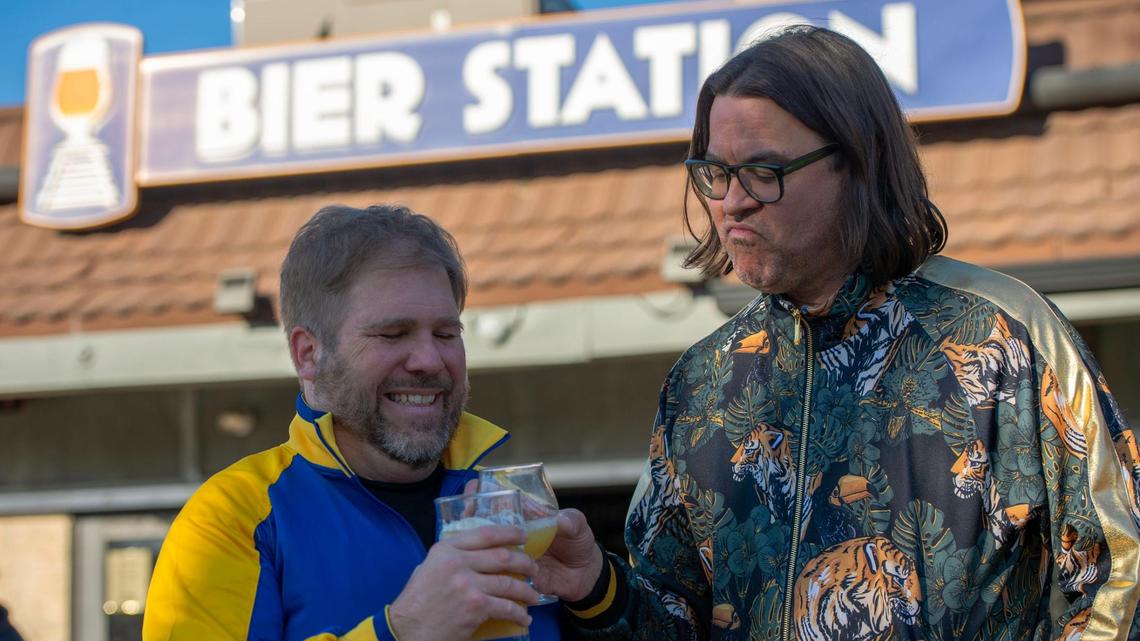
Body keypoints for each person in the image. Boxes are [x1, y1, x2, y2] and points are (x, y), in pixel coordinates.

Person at [547, 25, 1140, 641]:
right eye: (714, 173)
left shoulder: (1003, 336)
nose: (731, 202)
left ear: (858, 163)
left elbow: (1121, 573)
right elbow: (671, 620)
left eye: (762, 170)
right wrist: (598, 588)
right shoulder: (702, 383)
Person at [143, 204, 562, 641]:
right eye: (392, 334)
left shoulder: (509, 510)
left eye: (445, 334)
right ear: (308, 354)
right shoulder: (232, 519)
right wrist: (401, 631)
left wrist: (599, 599)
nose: (429, 360)